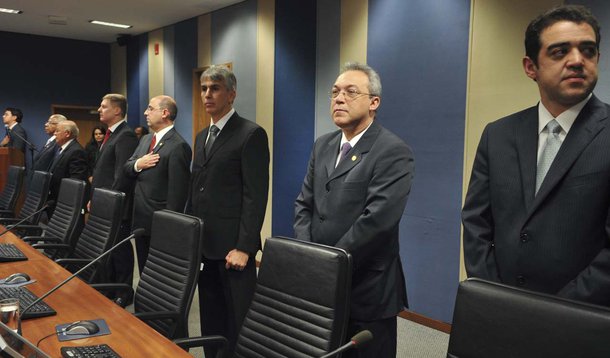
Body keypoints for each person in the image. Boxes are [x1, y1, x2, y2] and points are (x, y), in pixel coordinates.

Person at [462, 5, 610, 306]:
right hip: (501, 310)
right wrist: (494, 293)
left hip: (584, 319)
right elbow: (476, 221)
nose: (577, 61)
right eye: (559, 52)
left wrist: (552, 311)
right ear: (531, 67)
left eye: (588, 50)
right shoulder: (498, 134)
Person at [294, 62, 414, 358]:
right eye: (334, 92)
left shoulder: (392, 151)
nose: (338, 98)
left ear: (374, 102)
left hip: (366, 288)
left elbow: (376, 222)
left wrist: (328, 264)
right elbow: (304, 204)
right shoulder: (323, 145)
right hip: (320, 282)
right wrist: (309, 255)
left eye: (350, 92)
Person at [188, 65, 269, 357]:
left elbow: (255, 196)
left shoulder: (250, 134)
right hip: (204, 247)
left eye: (215, 88)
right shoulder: (201, 136)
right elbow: (196, 188)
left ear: (231, 94)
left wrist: (245, 247)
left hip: (233, 250)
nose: (207, 94)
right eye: (203, 88)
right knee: (210, 318)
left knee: (238, 321)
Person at [124, 95, 191, 272]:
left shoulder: (178, 146)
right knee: (144, 270)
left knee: (159, 273)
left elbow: (178, 193)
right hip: (140, 218)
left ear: (164, 113)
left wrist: (169, 226)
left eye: (150, 108)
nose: (146, 112)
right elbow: (127, 167)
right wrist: (139, 163)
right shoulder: (146, 140)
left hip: (159, 223)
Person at [91, 93, 138, 306]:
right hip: (104, 201)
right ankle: (109, 286)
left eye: (103, 106)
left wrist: (108, 201)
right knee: (107, 249)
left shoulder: (125, 135)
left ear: (117, 110)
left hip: (117, 204)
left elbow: (122, 175)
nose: (99, 110)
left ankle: (124, 291)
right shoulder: (110, 134)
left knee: (120, 250)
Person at [48, 120, 88, 215]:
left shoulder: (76, 151)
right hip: (55, 198)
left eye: (57, 131)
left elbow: (75, 180)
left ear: (67, 133)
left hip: (65, 202)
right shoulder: (62, 149)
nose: (54, 133)